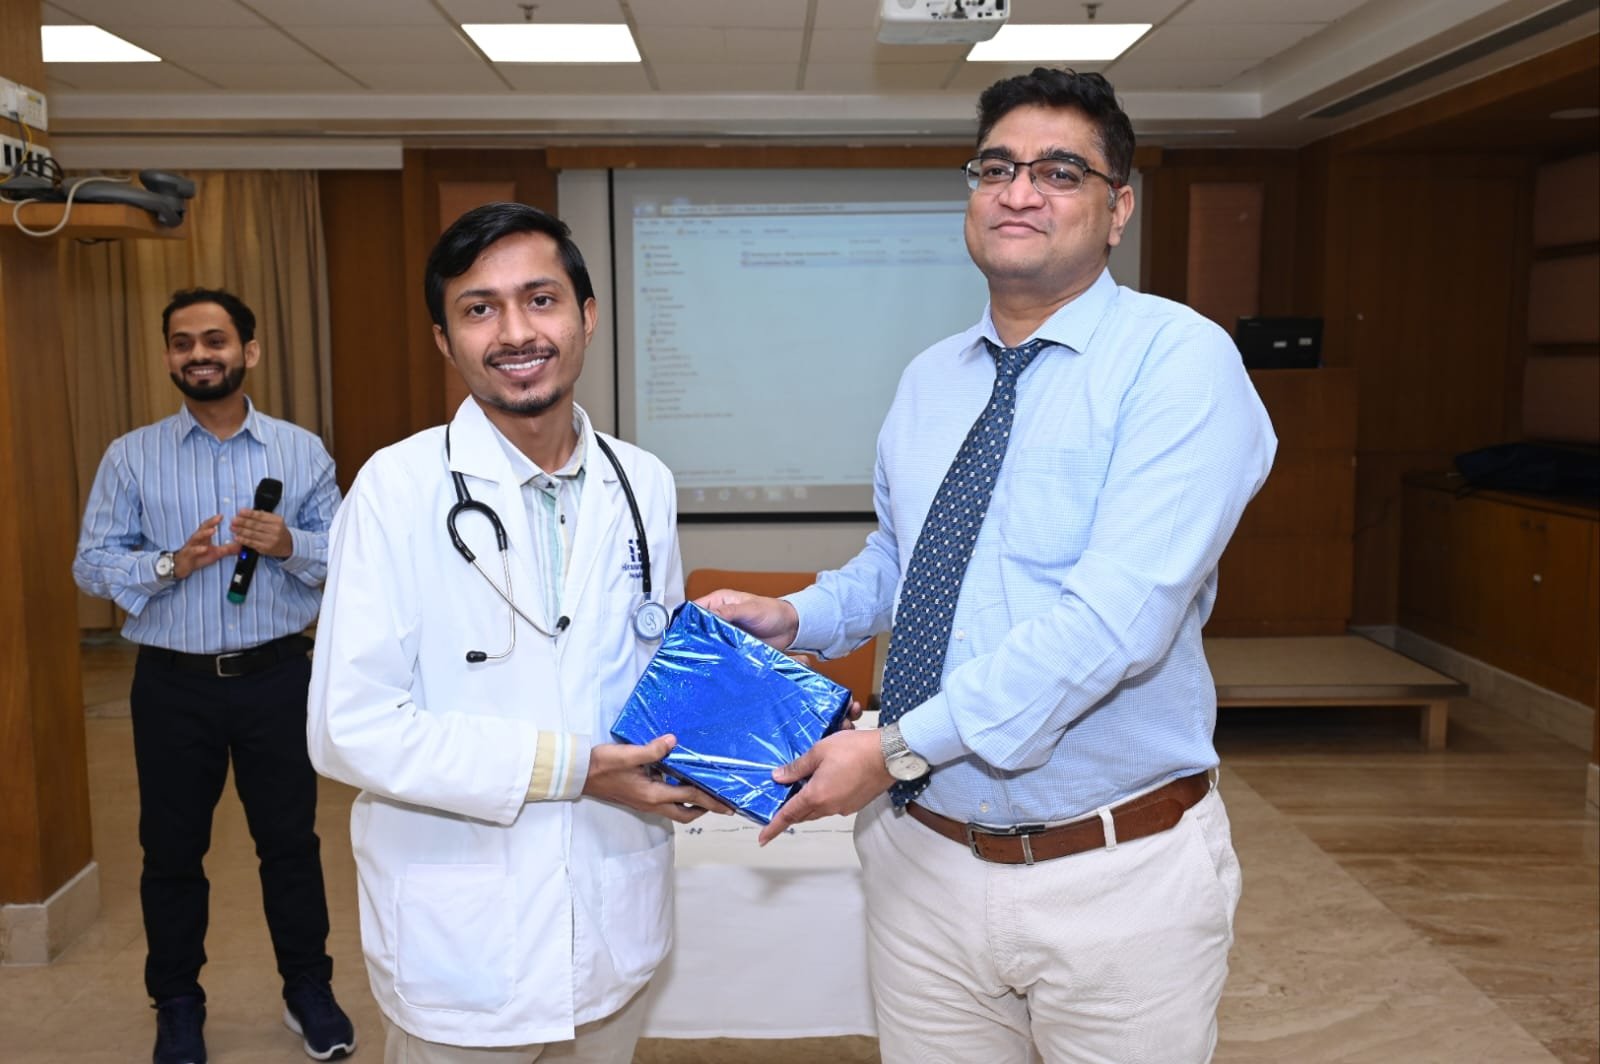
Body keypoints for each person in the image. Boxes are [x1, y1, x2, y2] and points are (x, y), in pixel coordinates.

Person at [700, 68, 1277, 1064]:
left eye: (1059, 172)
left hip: (1113, 876)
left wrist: (893, 748)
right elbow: (910, 559)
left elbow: (1114, 623)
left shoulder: (1178, 363)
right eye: (996, 168)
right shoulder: (932, 378)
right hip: (922, 856)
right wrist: (797, 616)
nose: (1019, 192)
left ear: (1118, 208)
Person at [306, 202, 730, 1064]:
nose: (515, 332)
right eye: (479, 308)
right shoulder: (394, 490)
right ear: (445, 339)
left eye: (541, 299)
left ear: (587, 316)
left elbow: (644, 674)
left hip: (614, 921)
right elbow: (349, 729)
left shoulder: (642, 482)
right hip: (463, 947)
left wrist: (741, 735)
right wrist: (572, 771)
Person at [73, 287, 356, 1064]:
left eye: (214, 340)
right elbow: (91, 565)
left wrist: (288, 544)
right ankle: (178, 1004)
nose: (199, 354)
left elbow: (348, 556)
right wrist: (172, 563)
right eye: (182, 342)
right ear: (169, 356)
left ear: (248, 352)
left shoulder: (301, 451)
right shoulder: (131, 455)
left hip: (276, 678)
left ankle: (308, 990)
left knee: (290, 845)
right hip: (173, 686)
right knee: (171, 853)